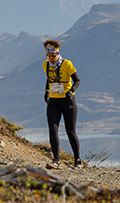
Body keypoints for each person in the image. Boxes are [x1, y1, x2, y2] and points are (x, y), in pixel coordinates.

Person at [43, 39, 82, 169]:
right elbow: (49, 79)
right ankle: (56, 160)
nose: (51, 59)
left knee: (70, 131)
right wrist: (46, 92)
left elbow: (77, 80)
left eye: (53, 56)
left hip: (68, 100)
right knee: (53, 130)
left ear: (58, 53)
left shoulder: (67, 64)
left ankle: (77, 160)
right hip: (53, 101)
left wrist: (71, 91)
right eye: (48, 56)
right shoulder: (46, 65)